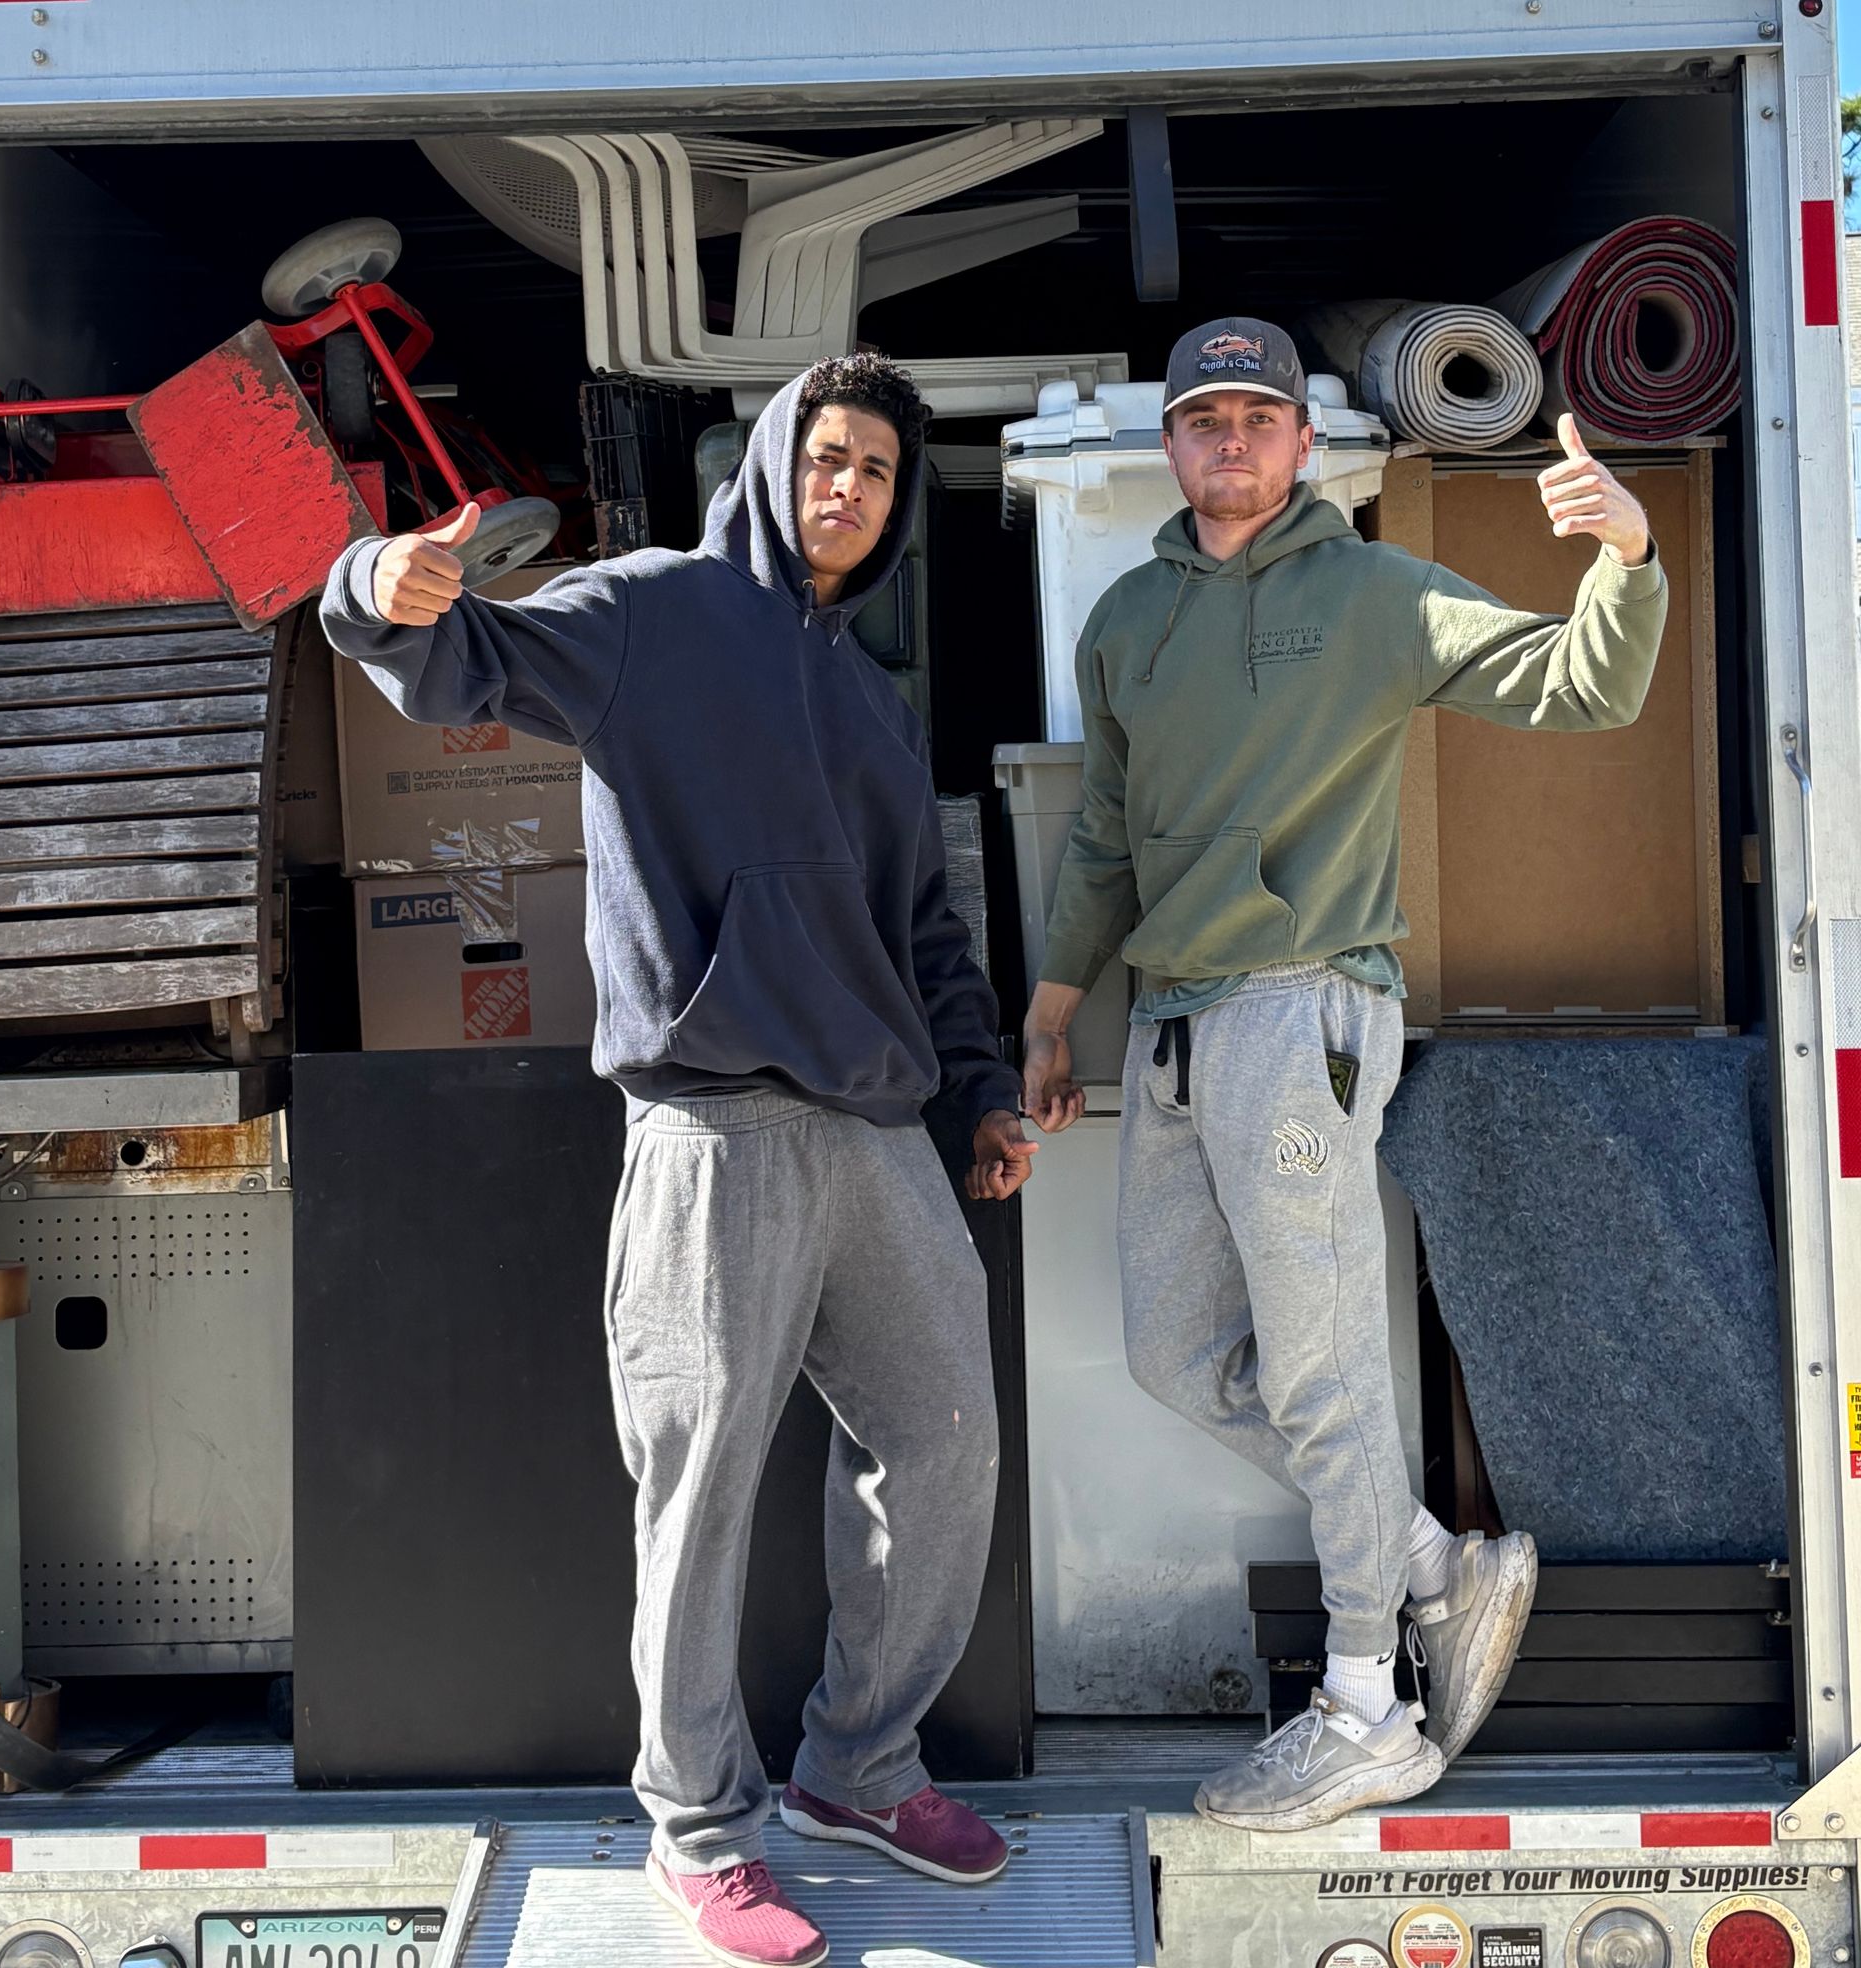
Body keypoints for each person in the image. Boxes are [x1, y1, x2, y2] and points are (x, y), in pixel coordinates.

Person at [322, 353, 1034, 1968]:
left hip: (877, 1136)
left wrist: (981, 1091)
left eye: (875, 470)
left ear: (902, 502)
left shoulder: (872, 696)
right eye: (825, 455)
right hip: (711, 1126)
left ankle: (859, 1771)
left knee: (944, 1444)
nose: (844, 486)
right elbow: (456, 666)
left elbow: (924, 933)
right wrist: (382, 583)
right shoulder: (650, 612)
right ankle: (702, 1832)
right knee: (698, 1491)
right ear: (771, 460)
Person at [1020, 315, 1668, 1833]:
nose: (1230, 440)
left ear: (1305, 447)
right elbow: (1104, 840)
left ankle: (1368, 1704)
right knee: (1179, 1358)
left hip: (1301, 1011)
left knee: (1320, 1371)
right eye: (1204, 419)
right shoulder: (1124, 623)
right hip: (1171, 1028)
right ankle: (1436, 1563)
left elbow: (1584, 688)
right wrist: (1054, 1016)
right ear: (1168, 447)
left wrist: (1624, 560)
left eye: (1259, 416)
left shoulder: (1374, 593)